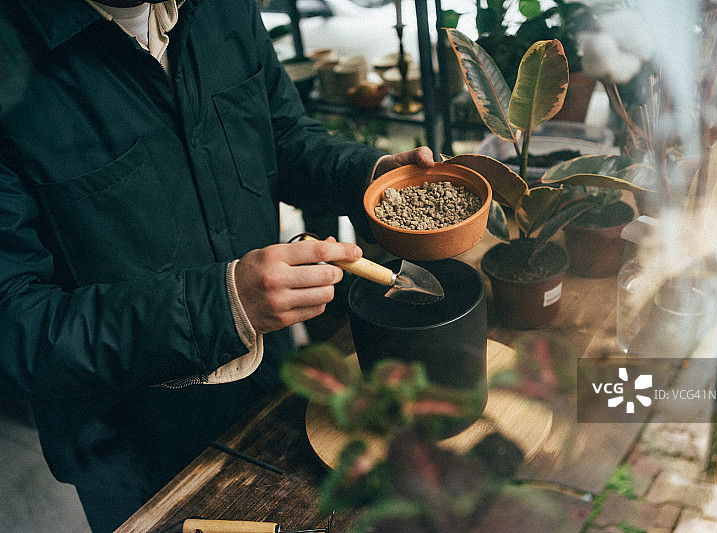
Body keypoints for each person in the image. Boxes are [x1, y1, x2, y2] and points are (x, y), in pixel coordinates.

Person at [0, 0, 435, 530]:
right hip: (132, 443)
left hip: (268, 377)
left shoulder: (220, 8)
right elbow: (14, 322)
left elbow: (280, 136)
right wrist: (221, 305)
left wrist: (368, 177)